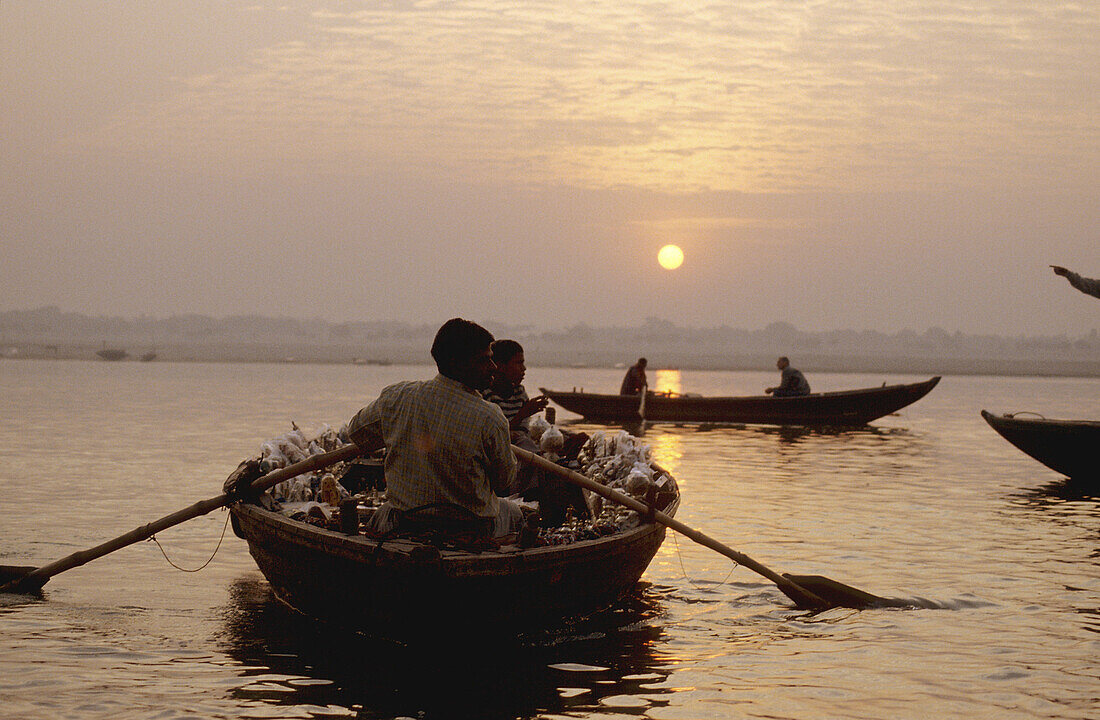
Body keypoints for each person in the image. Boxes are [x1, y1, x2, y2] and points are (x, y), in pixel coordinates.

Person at [345, 318, 525, 539]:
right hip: (469, 527)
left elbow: (356, 433)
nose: (493, 368)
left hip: (406, 520)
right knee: (513, 512)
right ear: (456, 363)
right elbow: (504, 480)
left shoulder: (398, 397)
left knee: (384, 512)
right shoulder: (490, 417)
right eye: (484, 361)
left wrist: (397, 430)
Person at [482, 339, 549, 434]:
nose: (524, 368)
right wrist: (522, 414)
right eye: (519, 363)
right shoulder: (486, 395)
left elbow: (524, 429)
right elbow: (496, 434)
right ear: (500, 366)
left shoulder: (519, 391)